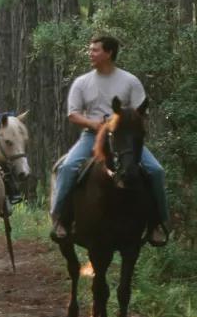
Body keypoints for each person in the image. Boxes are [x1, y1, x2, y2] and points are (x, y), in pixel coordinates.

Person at [50, 35, 169, 245]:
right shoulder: (82, 82)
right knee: (67, 167)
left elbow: (142, 113)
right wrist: (96, 124)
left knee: (156, 170)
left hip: (124, 139)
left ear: (109, 53)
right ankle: (60, 218)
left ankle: (157, 223)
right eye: (91, 50)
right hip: (92, 136)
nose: (91, 53)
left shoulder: (130, 81)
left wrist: (124, 125)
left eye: (95, 50)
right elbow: (73, 114)